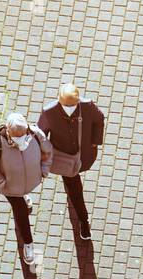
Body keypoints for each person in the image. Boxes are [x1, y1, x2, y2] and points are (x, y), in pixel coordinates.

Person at [36, 82, 105, 242]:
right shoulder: (51, 112)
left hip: (82, 156)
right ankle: (84, 221)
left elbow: (99, 119)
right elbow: (41, 134)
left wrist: (95, 141)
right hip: (66, 159)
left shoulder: (83, 107)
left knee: (74, 188)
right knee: (75, 190)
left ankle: (83, 221)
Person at [0, 112, 53, 264]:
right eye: (17, 135)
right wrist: (2, 183)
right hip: (11, 188)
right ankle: (28, 243)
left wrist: (44, 170)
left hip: (30, 181)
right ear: (8, 131)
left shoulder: (34, 133)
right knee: (20, 211)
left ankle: (24, 197)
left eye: (24, 133)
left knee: (22, 201)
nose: (22, 138)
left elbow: (48, 151)